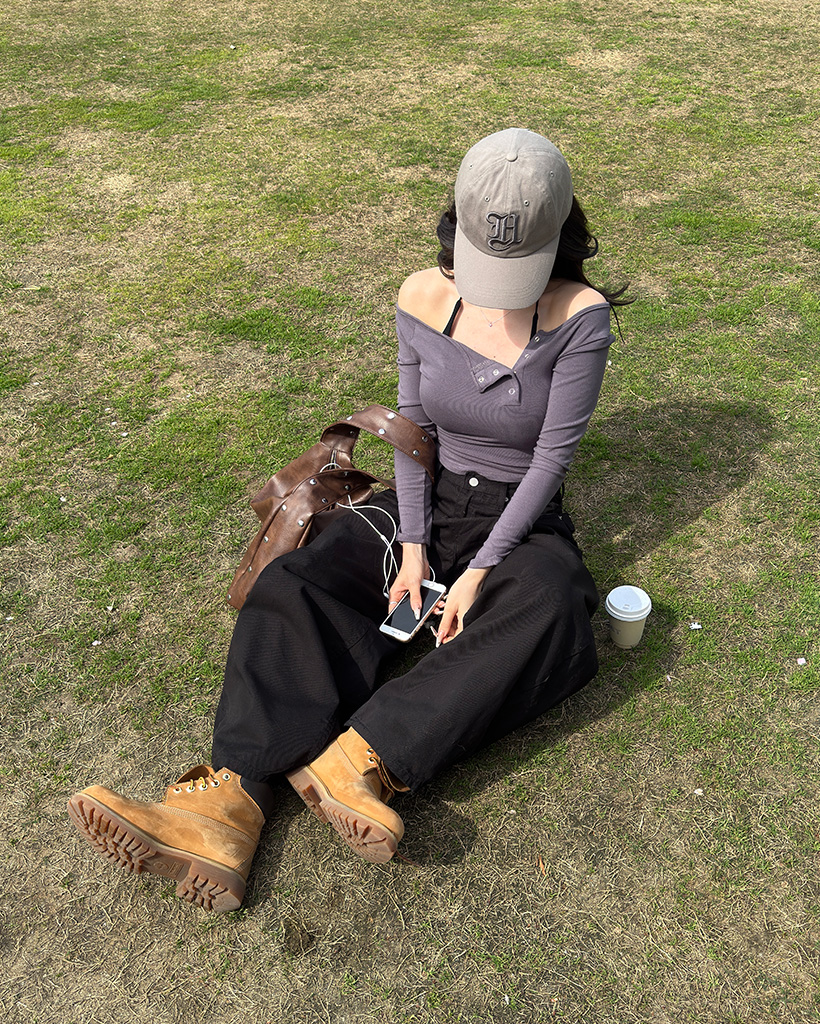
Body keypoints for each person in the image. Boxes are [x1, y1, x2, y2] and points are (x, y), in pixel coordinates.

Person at [67, 128, 629, 913]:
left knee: (553, 604)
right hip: (428, 497)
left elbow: (549, 463)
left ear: (558, 235)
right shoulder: (422, 295)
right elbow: (410, 430)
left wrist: (476, 571)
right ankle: (225, 806)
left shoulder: (580, 316)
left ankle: (362, 761)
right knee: (301, 581)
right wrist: (415, 544)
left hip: (518, 515)